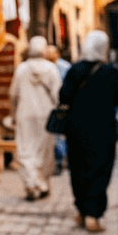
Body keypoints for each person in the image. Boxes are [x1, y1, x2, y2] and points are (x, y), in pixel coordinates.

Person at [60, 30, 118, 232]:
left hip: (76, 130)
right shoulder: (110, 71)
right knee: (99, 170)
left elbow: (63, 96)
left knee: (78, 169)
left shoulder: (74, 70)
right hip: (102, 130)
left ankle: (81, 211)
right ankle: (93, 214)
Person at [9, 36, 62, 200]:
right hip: (46, 115)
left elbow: (13, 94)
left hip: (25, 114)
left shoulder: (21, 69)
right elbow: (58, 95)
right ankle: (42, 184)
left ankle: (32, 184)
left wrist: (12, 114)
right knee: (44, 151)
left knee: (26, 150)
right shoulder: (52, 69)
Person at [43, 45, 72, 173]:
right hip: (50, 104)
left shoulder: (64, 67)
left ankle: (64, 158)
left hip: (63, 103)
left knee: (63, 132)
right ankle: (59, 160)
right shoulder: (45, 67)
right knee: (56, 133)